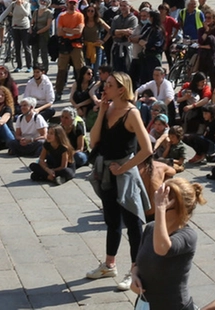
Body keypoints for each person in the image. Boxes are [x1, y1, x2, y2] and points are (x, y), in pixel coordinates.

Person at [85, 71, 155, 293]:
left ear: (121, 89)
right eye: (105, 84)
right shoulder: (109, 109)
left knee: (134, 224)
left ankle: (135, 270)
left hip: (124, 174)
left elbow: (147, 149)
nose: (104, 88)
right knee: (111, 220)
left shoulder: (131, 113)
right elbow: (94, 140)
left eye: (109, 85)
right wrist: (103, 111)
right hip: (105, 172)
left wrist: (124, 168)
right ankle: (109, 264)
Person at [130, 178, 207, 310]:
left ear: (181, 210)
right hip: (145, 304)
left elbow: (162, 248)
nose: (158, 210)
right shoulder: (150, 229)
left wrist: (160, 208)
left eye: (166, 207)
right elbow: (138, 263)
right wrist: (134, 275)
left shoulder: (188, 236)